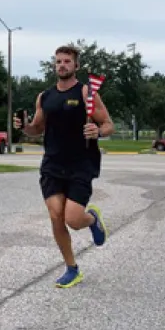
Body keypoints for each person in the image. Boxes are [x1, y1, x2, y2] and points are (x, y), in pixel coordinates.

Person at [14, 45, 113, 288]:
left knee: (73, 219)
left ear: (76, 66)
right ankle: (72, 268)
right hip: (52, 164)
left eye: (67, 61)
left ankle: (92, 220)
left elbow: (109, 124)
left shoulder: (86, 93)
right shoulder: (44, 97)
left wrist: (98, 131)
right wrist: (23, 126)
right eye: (58, 61)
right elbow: (36, 130)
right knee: (55, 216)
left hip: (81, 164)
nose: (62, 65)